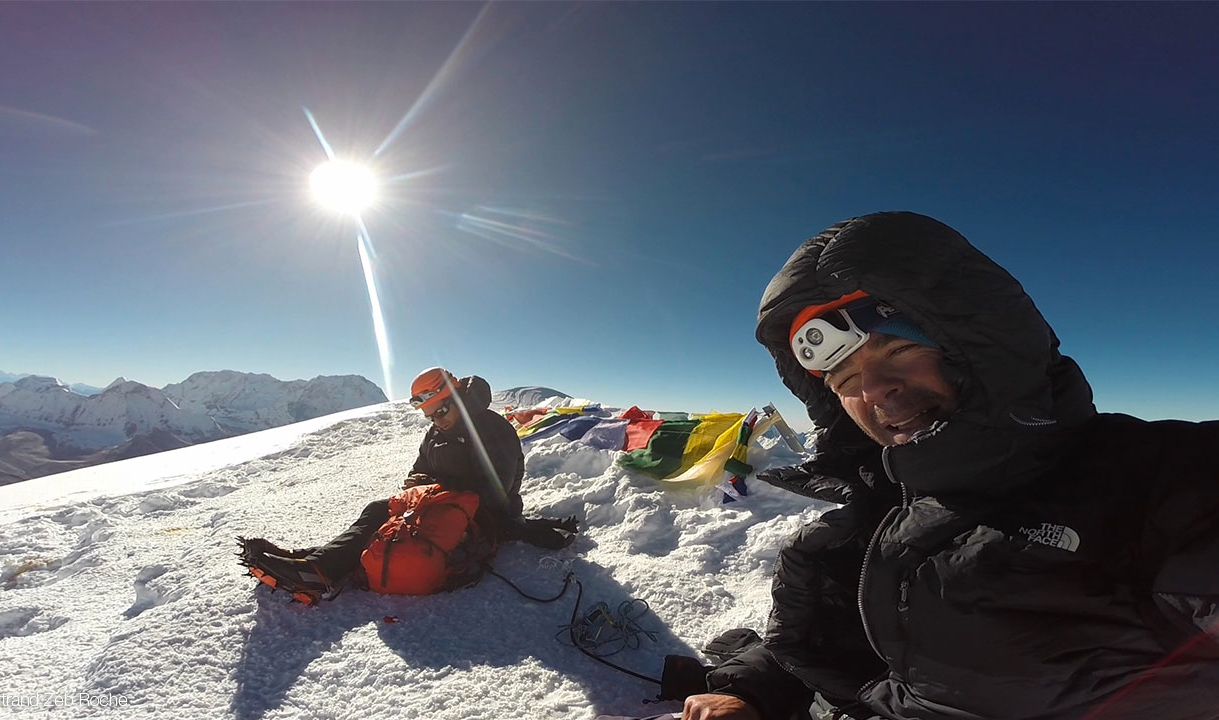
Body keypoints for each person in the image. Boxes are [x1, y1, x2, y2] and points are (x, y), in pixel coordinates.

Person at [684, 212, 1219, 719]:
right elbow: (868, 647)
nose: (875, 391)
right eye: (845, 381)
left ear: (982, 345)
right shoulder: (891, 506)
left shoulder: (1165, 486)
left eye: (896, 351)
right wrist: (756, 689)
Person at [239, 368, 577, 602]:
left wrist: (431, 489)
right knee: (382, 512)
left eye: (442, 410)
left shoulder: (493, 430)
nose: (437, 420)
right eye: (430, 415)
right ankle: (319, 561)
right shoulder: (436, 434)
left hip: (485, 515)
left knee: (398, 528)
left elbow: (493, 492)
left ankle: (320, 569)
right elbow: (417, 473)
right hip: (441, 502)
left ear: (456, 397)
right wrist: (421, 487)